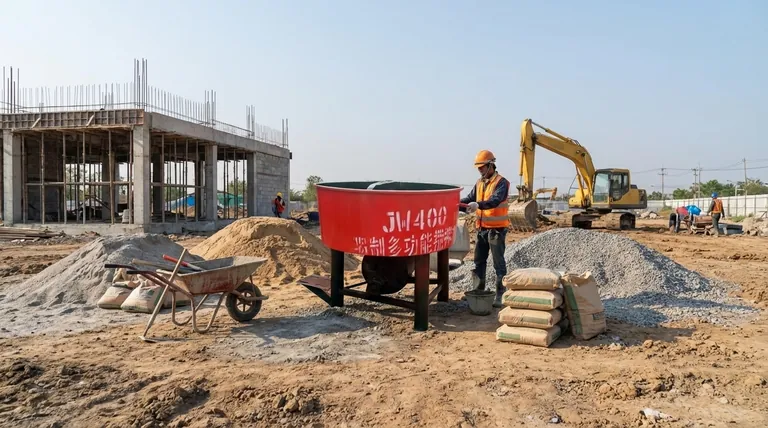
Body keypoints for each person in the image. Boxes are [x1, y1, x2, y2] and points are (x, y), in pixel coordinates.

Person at [460, 149, 511, 308]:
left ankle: (501, 294)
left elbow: (495, 200)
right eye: (478, 167)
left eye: (482, 167)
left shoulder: (502, 182)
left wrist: (479, 205)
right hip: (481, 228)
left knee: (498, 263)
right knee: (478, 261)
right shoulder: (479, 182)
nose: (480, 170)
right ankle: (478, 290)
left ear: (491, 165)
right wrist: (457, 204)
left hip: (496, 229)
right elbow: (470, 199)